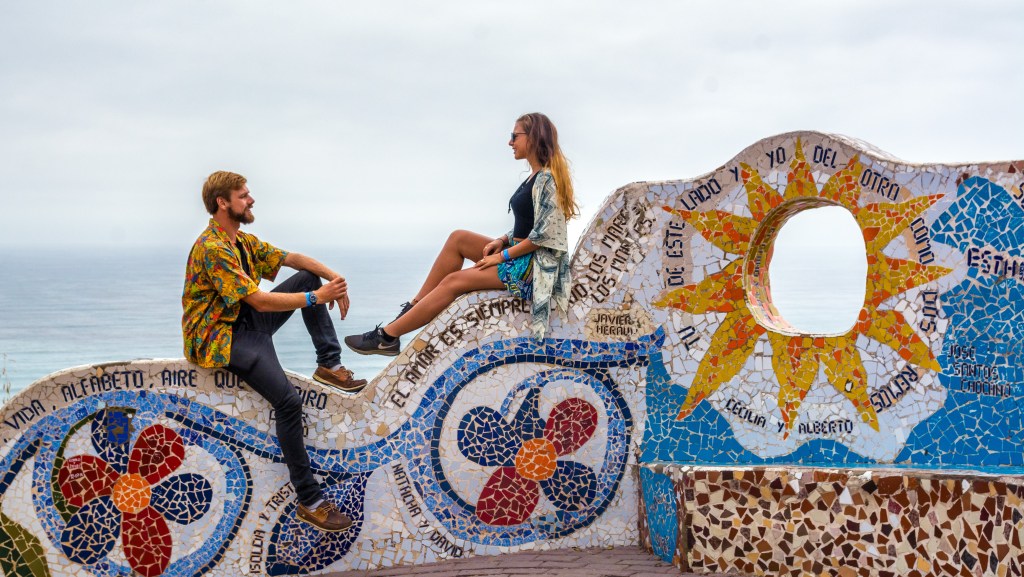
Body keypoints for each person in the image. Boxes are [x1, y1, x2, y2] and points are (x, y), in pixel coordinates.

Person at [181, 170, 365, 532]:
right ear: (223, 202)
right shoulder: (213, 248)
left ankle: (328, 365)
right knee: (288, 403)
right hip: (220, 337)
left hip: (247, 323)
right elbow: (261, 302)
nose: (251, 200)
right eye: (244, 195)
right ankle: (311, 501)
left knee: (308, 279)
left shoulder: (241, 241)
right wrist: (316, 298)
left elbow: (292, 259)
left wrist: (333, 280)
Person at [344, 112, 577, 356]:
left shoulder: (548, 179)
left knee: (453, 282)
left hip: (531, 267)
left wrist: (502, 256)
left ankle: (387, 337)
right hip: (518, 254)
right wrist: (501, 240)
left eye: (514, 136)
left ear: (532, 137)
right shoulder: (534, 176)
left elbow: (544, 234)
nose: (510, 142)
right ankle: (412, 309)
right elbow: (528, 223)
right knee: (459, 238)